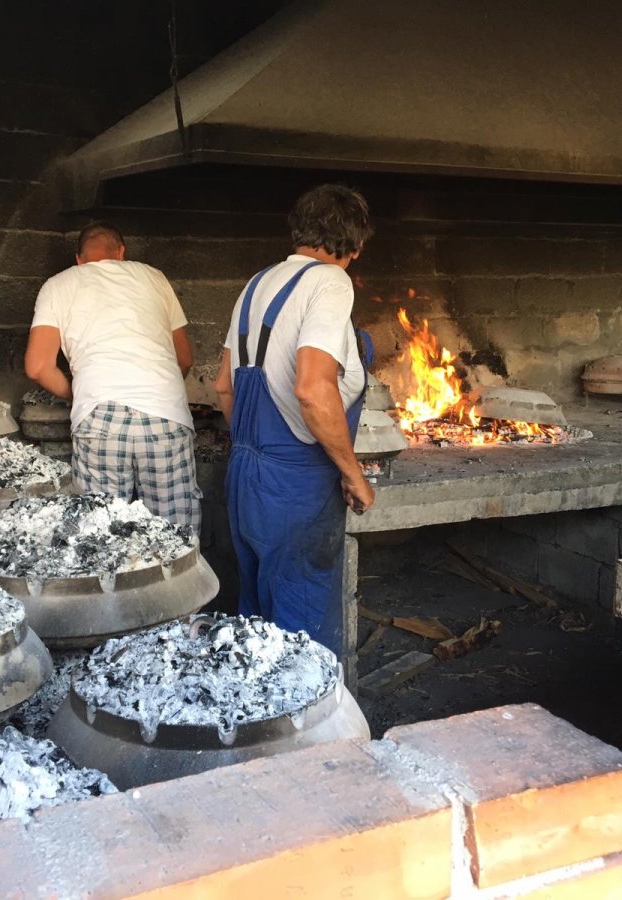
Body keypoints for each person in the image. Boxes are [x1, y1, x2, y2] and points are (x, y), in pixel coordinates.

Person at [214, 184, 375, 656]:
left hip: (244, 476)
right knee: (301, 641)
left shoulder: (257, 283)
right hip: (296, 485)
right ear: (356, 245)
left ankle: (258, 726)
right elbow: (312, 388)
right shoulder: (330, 282)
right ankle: (318, 732)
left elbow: (224, 384)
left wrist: (253, 447)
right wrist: (352, 474)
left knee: (256, 630)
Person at [24, 222, 200, 531]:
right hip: (165, 417)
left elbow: (38, 367)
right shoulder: (154, 277)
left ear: (79, 259)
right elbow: (184, 359)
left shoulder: (58, 284)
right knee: (175, 534)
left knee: (100, 534)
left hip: (100, 419)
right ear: (121, 252)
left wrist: (77, 392)